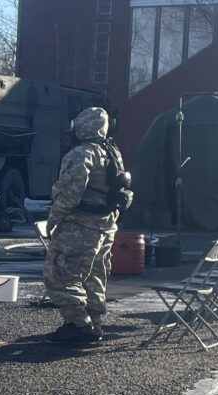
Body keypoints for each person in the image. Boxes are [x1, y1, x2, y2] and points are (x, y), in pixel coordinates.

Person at [42, 106, 133, 344]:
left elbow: (70, 194)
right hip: (106, 225)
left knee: (61, 275)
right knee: (95, 276)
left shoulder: (81, 154)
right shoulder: (112, 151)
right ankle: (95, 322)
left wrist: (53, 220)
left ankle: (78, 324)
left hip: (79, 226)